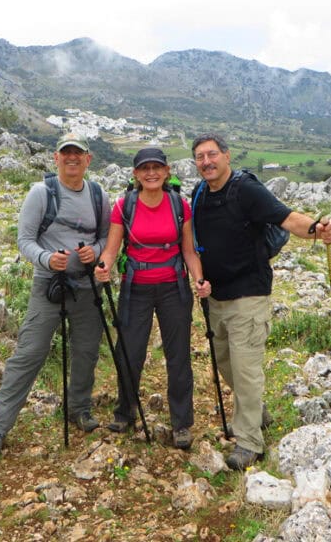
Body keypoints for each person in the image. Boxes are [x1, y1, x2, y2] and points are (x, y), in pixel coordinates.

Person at [190, 133, 331, 470]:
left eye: (212, 154)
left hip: (249, 294)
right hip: (216, 297)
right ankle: (256, 411)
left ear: (226, 156)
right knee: (226, 362)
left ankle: (249, 442)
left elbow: (286, 218)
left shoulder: (247, 190)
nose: (207, 162)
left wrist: (318, 229)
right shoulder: (199, 194)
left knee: (245, 369)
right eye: (200, 157)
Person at [0, 132, 110, 460]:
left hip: (85, 285)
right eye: (66, 153)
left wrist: (94, 251)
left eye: (78, 154)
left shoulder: (98, 194)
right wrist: (47, 259)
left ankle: (78, 408)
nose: (72, 159)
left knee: (87, 350)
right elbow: (24, 240)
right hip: (48, 284)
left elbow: (106, 236)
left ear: (87, 159)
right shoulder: (41, 192)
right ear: (56, 158)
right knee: (30, 353)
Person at [95, 147, 210, 450]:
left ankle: (182, 423)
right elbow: (112, 247)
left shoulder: (180, 205)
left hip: (175, 287)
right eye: (144, 168)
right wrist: (104, 265)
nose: (151, 173)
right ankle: (125, 410)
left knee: (179, 356)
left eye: (156, 167)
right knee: (129, 352)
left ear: (166, 171)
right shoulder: (124, 206)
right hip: (136, 288)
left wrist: (198, 278)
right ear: (135, 174)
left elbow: (188, 250)